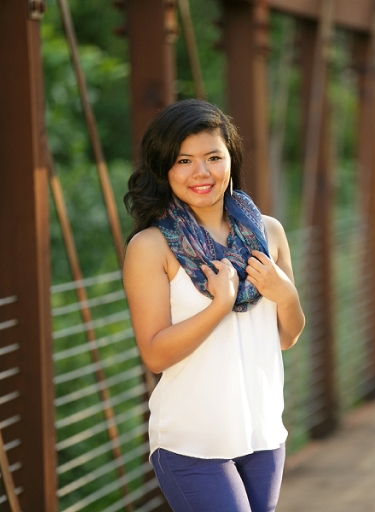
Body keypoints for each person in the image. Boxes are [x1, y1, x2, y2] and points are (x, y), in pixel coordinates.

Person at [123, 99, 305, 512]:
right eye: (184, 160)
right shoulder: (151, 247)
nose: (201, 172)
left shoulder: (269, 234)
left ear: (231, 159)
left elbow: (287, 336)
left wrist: (285, 293)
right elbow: (154, 353)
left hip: (262, 435)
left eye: (212, 157)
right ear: (164, 167)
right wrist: (218, 306)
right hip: (193, 443)